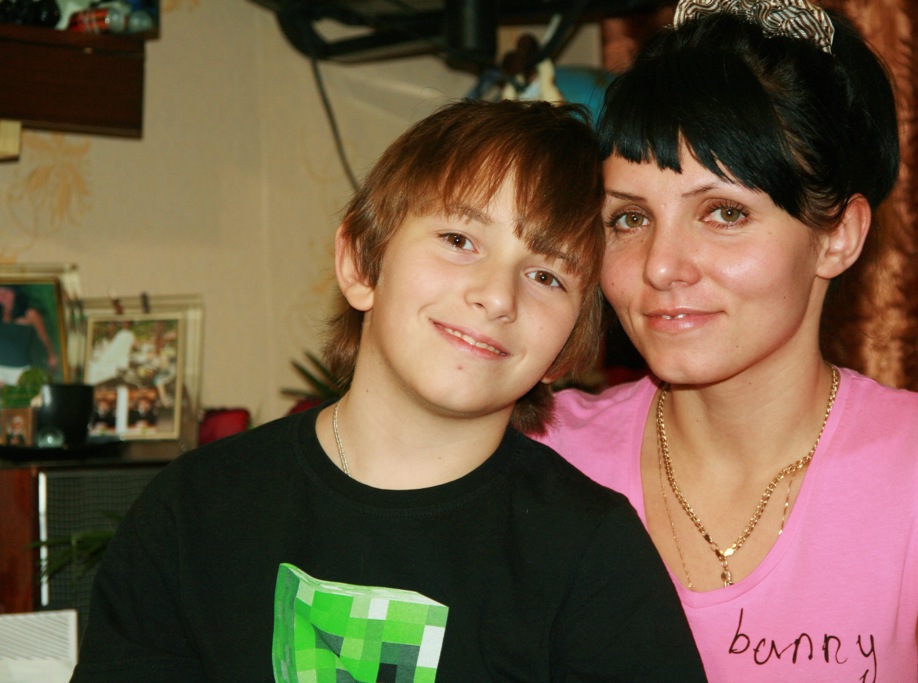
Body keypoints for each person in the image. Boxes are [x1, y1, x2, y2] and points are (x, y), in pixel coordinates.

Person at [71, 100, 706, 682]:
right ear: (361, 263)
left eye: (546, 275)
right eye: (459, 241)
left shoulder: (591, 553)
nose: (496, 295)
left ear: (566, 351)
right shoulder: (194, 510)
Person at [536, 2, 918, 681]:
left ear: (838, 236)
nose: (661, 267)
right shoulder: (545, 454)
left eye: (723, 212)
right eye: (629, 218)